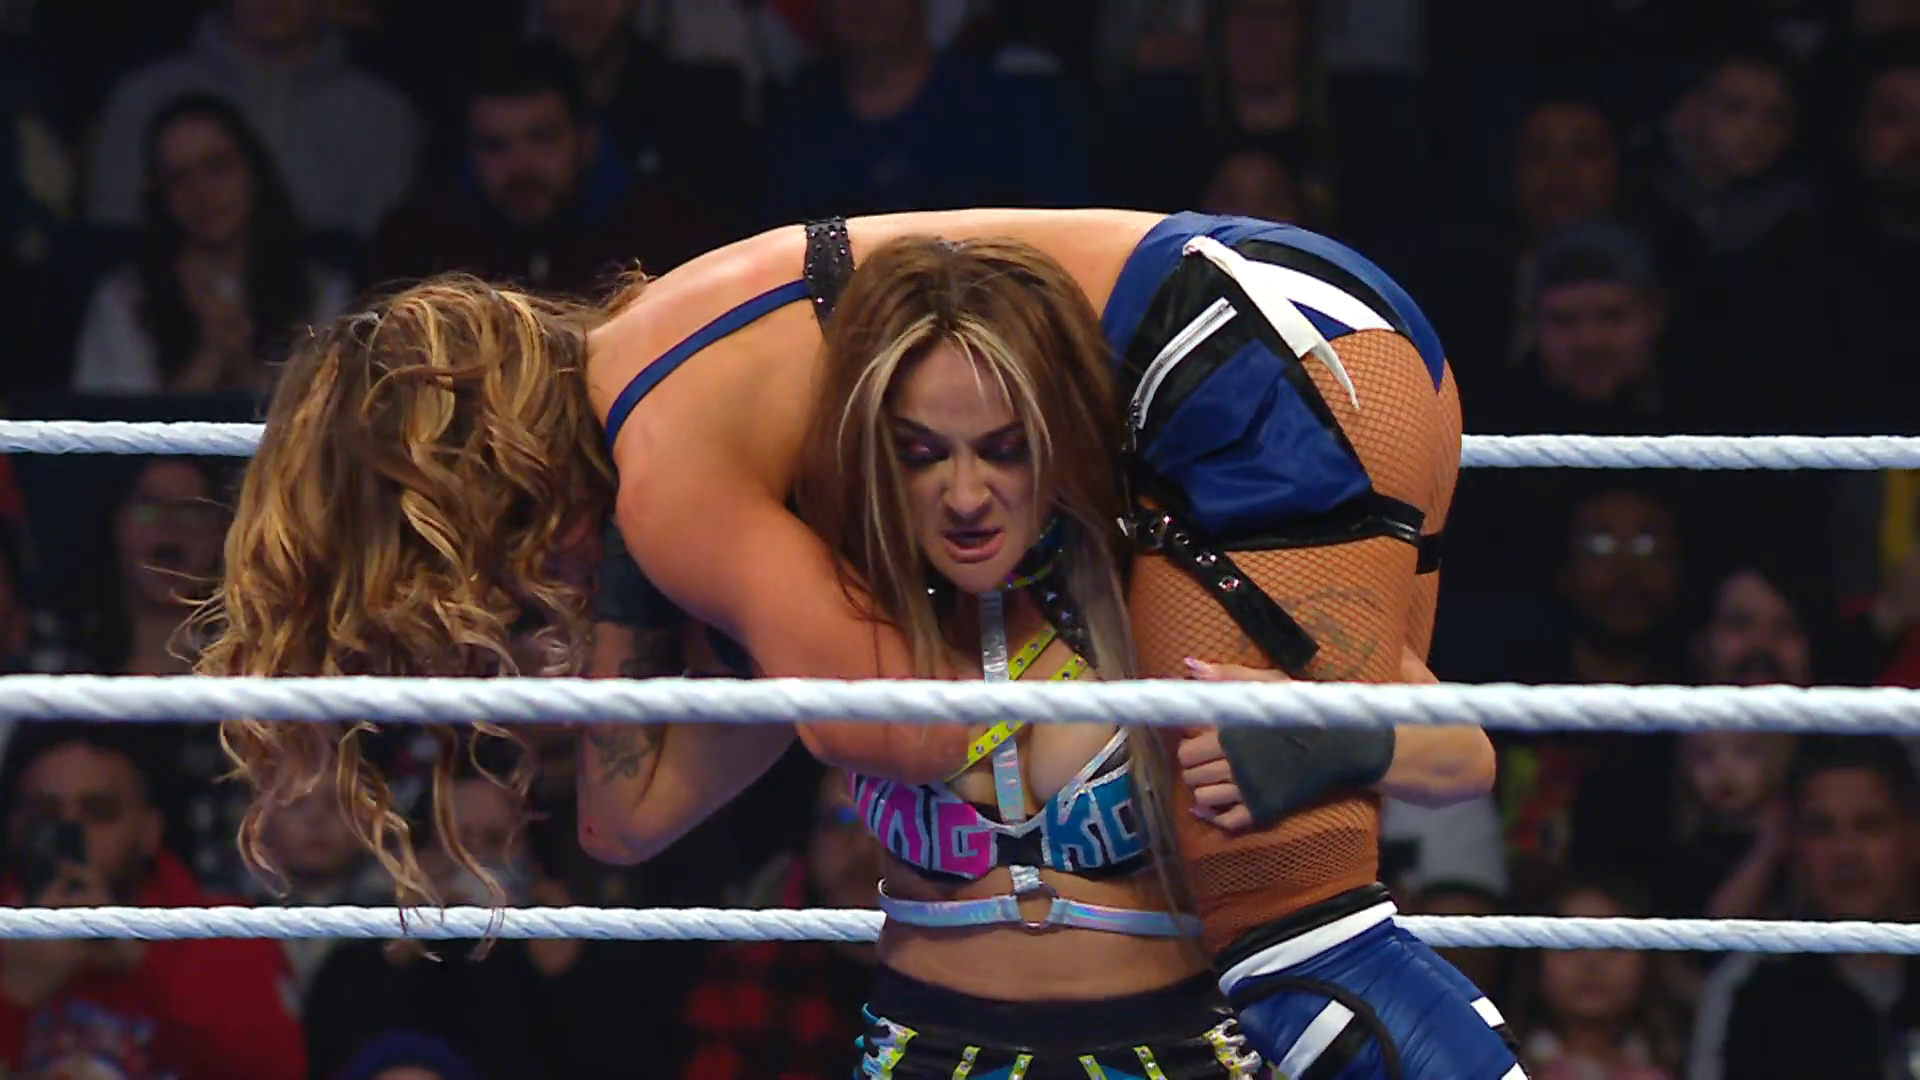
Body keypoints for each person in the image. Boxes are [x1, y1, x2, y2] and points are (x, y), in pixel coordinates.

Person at [198, 208, 1505, 1076]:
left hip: (1248, 350)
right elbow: (621, 822)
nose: (514, 590)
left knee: (1294, 923)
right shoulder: (671, 402)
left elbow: (905, 728)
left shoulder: (673, 477)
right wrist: (657, 602)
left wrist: (702, 592)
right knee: (1310, 816)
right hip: (1303, 329)